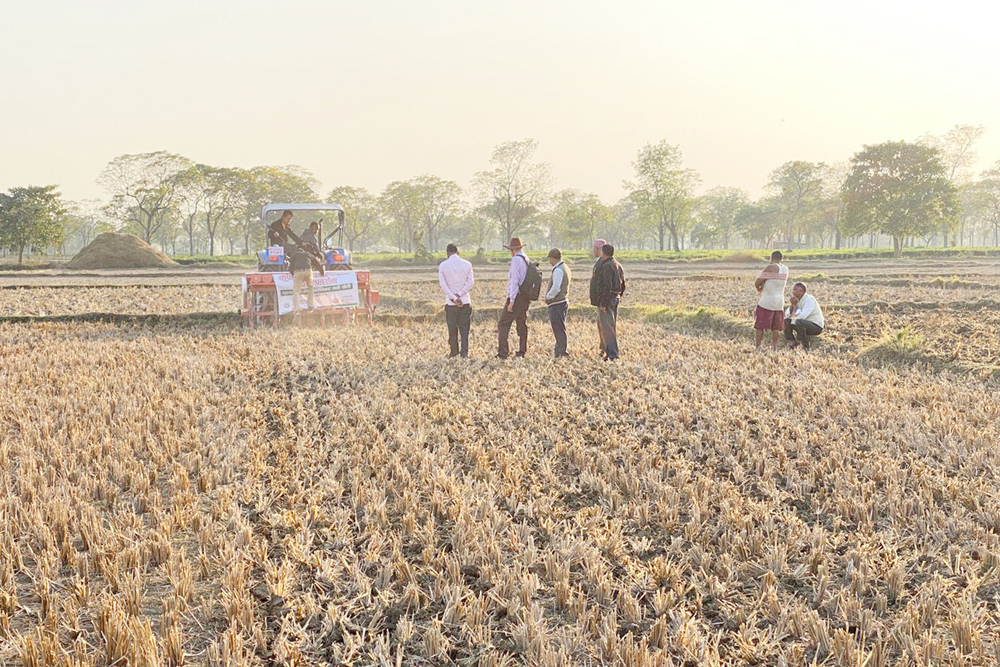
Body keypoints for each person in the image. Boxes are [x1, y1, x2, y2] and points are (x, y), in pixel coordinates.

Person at [438, 243, 474, 358]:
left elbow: (443, 285)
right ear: (458, 252)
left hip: (450, 303)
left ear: (447, 253)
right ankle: (464, 353)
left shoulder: (443, 266)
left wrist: (454, 298)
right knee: (464, 329)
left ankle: (454, 352)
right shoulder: (467, 264)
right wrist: (460, 295)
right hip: (465, 301)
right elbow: (470, 283)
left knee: (452, 328)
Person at [497, 237, 530, 359]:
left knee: (503, 323)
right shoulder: (526, 258)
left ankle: (503, 352)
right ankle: (522, 351)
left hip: (517, 297)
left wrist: (511, 301)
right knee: (521, 323)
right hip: (525, 297)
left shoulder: (516, 260)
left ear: (513, 250)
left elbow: (515, 281)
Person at [590, 244, 622, 361]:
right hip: (614, 298)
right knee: (609, 327)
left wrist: (603, 304)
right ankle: (608, 351)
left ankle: (613, 354)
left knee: (608, 329)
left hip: (608, 301)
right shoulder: (616, 264)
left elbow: (606, 286)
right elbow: (622, 283)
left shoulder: (607, 266)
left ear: (603, 252)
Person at [753, 250, 788, 350]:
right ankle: (774, 347)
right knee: (776, 327)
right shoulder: (785, 269)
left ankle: (758, 346)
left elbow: (757, 282)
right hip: (779, 302)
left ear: (771, 258)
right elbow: (774, 280)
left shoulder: (771, 267)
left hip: (766, 301)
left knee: (760, 326)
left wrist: (759, 287)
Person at [545, 248, 571, 358]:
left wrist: (548, 296)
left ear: (552, 258)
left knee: (558, 328)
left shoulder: (558, 270)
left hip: (557, 303)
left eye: (550, 259)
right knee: (560, 327)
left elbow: (556, 287)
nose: (549, 262)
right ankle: (560, 349)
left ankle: (561, 351)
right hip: (562, 301)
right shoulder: (565, 268)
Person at [784, 282, 825, 350]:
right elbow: (788, 315)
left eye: (795, 290)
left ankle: (802, 343)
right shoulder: (798, 300)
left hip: (816, 326)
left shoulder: (809, 300)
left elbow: (802, 316)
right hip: (804, 324)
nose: (793, 292)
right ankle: (791, 341)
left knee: (799, 322)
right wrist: (792, 305)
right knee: (786, 321)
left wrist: (794, 307)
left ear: (801, 291)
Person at [289, 245, 315, 319]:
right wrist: (322, 272)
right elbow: (316, 262)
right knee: (311, 288)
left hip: (298, 272)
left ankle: (296, 311)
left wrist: (293, 274)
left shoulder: (294, 255)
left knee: (296, 292)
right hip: (308, 271)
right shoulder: (308, 254)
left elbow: (290, 267)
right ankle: (310, 306)